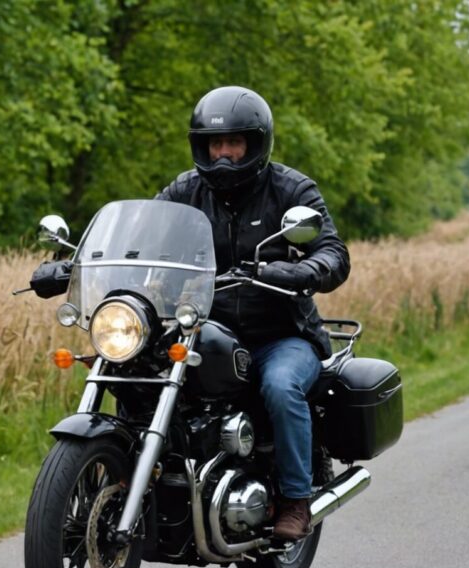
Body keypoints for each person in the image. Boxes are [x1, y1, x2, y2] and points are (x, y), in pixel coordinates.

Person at [31, 86, 350, 541]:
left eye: (234, 143)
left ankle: (296, 499)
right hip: (200, 326)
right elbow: (137, 240)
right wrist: (72, 267)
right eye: (214, 144)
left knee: (280, 387)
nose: (223, 154)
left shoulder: (290, 189)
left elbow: (333, 252)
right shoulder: (185, 190)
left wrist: (300, 270)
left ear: (255, 144)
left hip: (279, 334)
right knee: (136, 369)